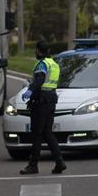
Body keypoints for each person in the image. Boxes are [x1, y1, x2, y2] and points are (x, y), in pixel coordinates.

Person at [21, 40, 66, 175]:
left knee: (37, 134)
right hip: (51, 100)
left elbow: (39, 80)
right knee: (47, 133)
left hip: (41, 102)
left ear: (38, 51)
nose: (35, 53)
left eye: (36, 50)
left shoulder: (42, 64)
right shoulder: (54, 64)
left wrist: (30, 90)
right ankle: (59, 162)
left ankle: (33, 165)